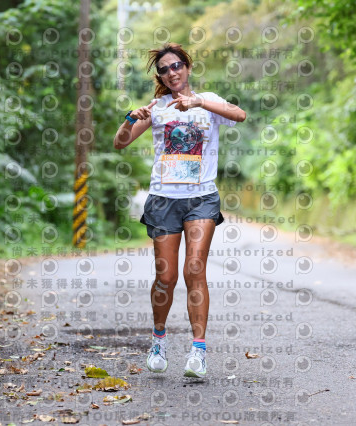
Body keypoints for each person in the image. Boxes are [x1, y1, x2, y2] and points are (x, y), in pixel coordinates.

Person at [113, 43, 246, 377]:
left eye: (176, 66)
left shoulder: (209, 101)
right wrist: (130, 118)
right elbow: (120, 142)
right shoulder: (156, 108)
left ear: (187, 67)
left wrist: (199, 102)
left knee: (195, 270)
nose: (171, 72)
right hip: (163, 199)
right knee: (166, 277)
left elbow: (240, 115)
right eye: (164, 69)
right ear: (160, 76)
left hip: (202, 198)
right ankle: (159, 339)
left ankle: (198, 351)